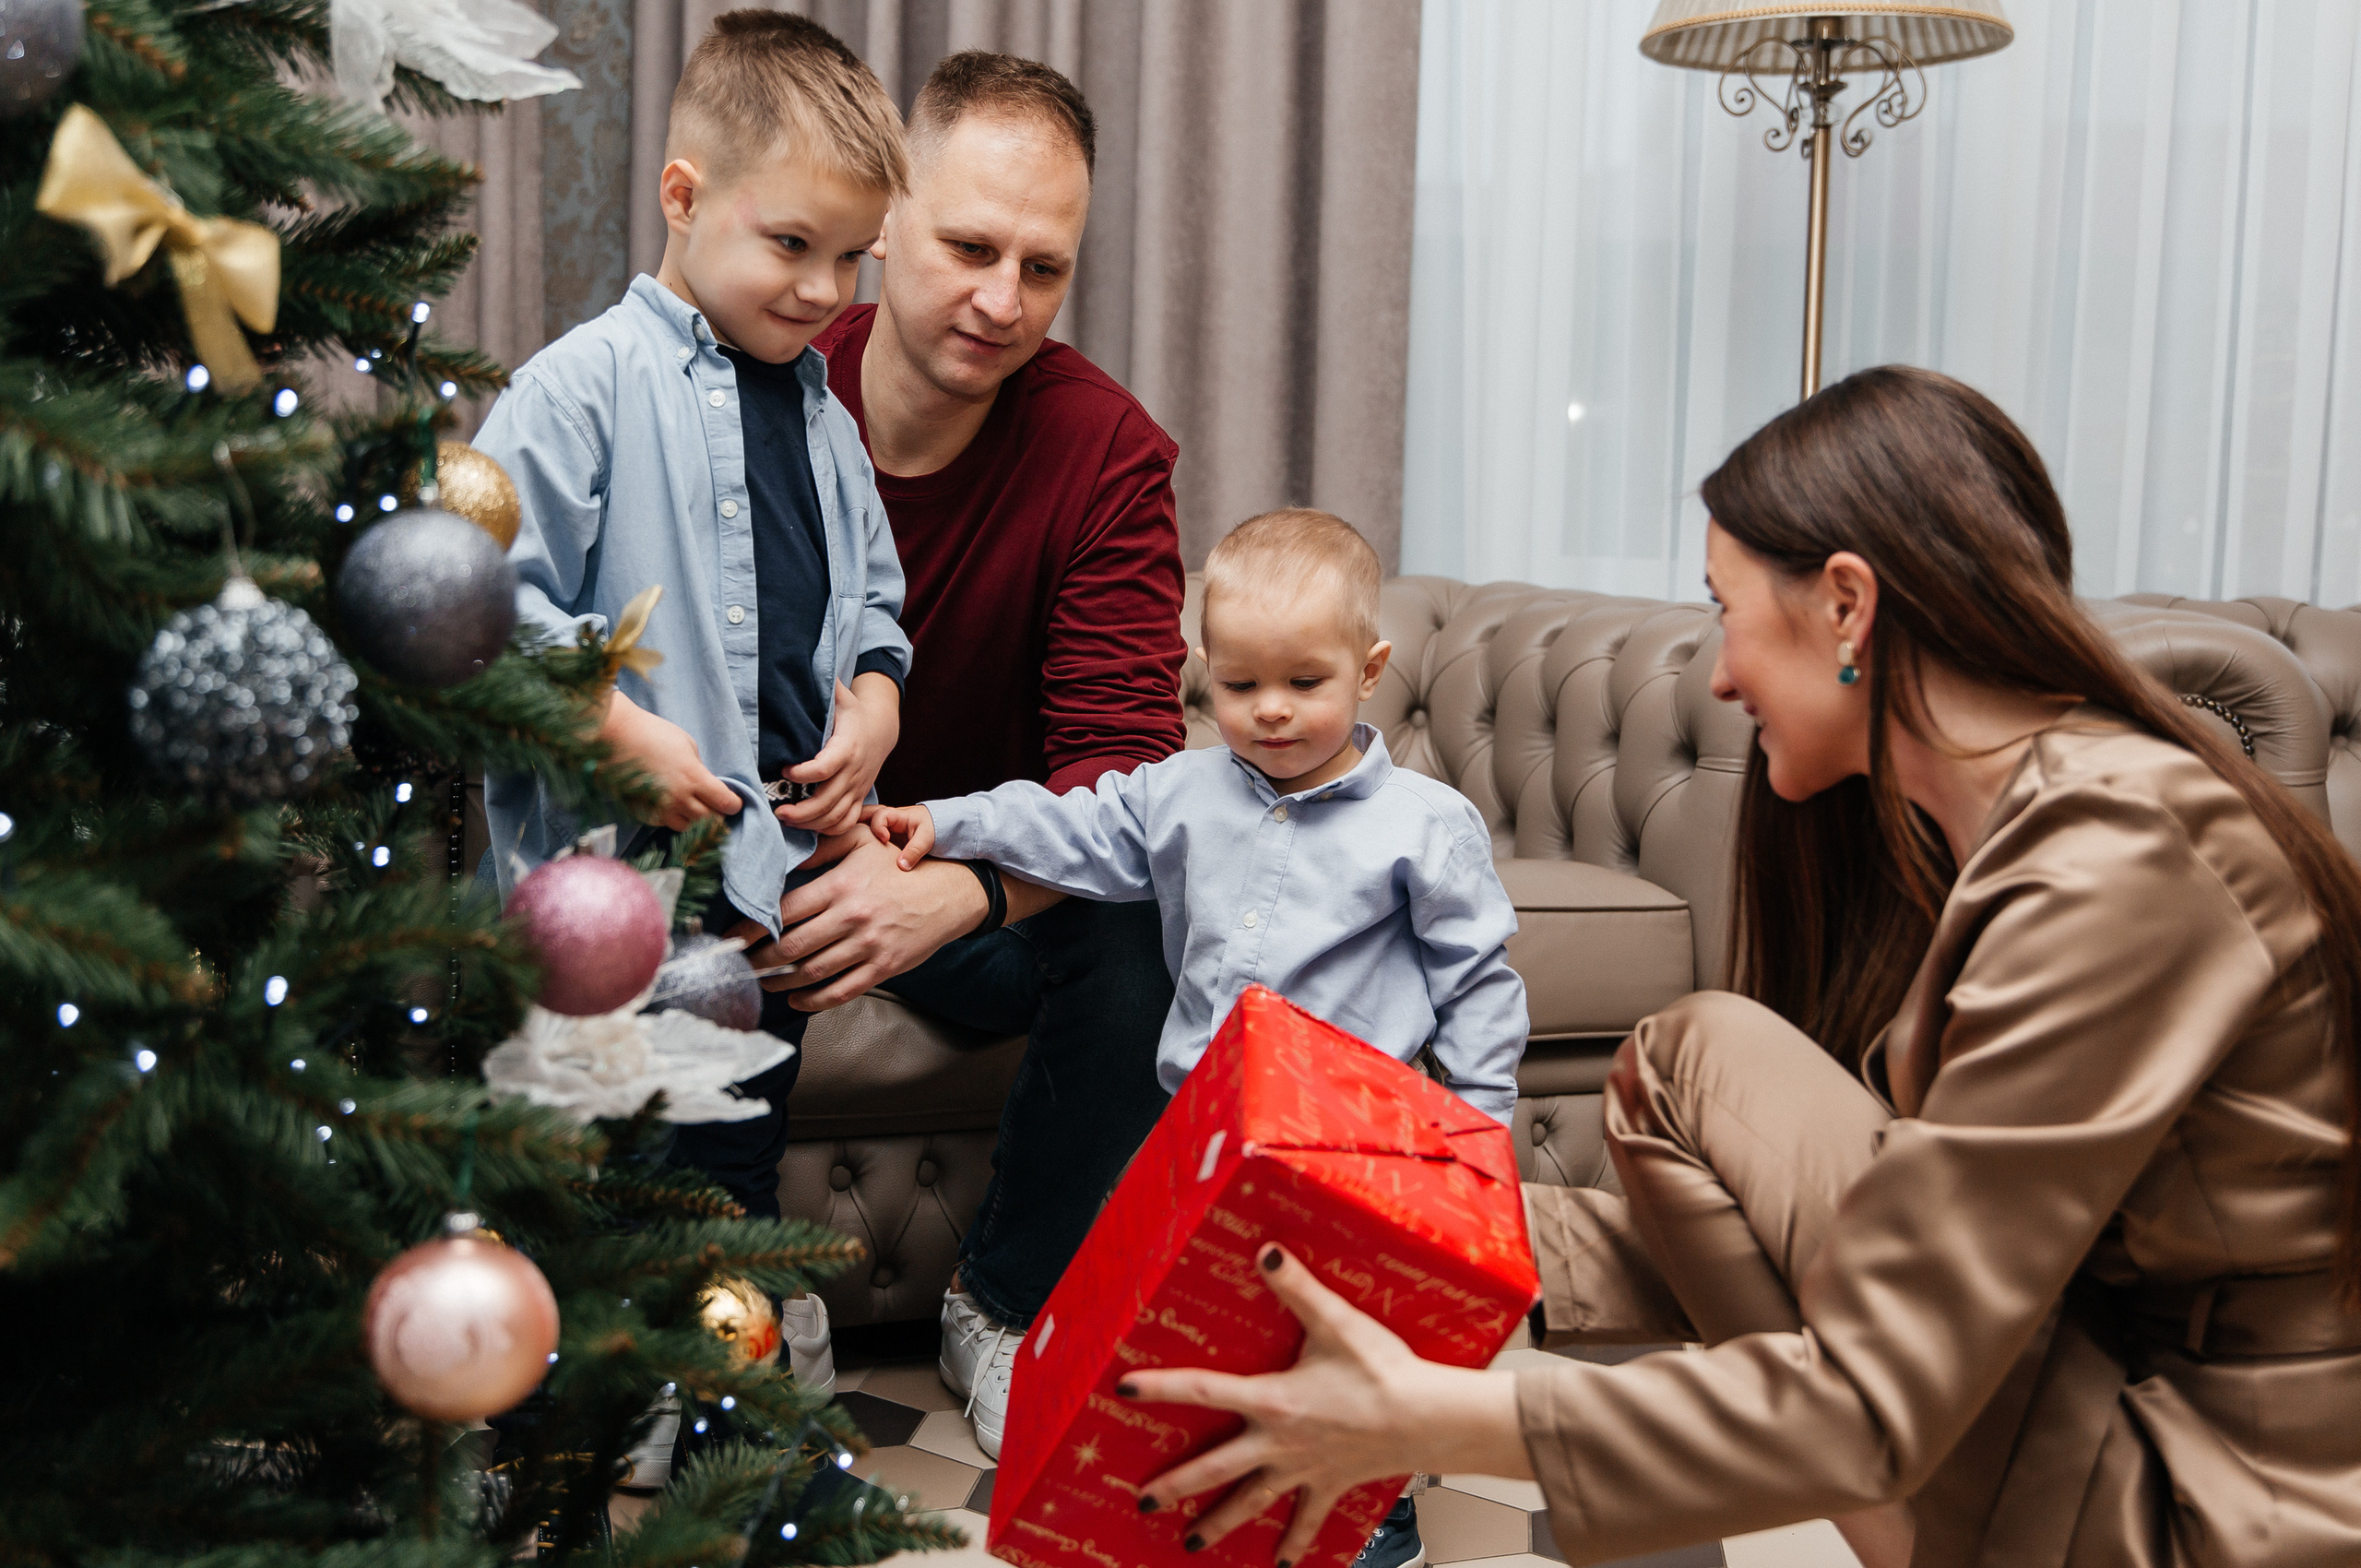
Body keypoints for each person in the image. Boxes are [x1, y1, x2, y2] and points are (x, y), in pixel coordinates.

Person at [1107, 368, 2361, 1568]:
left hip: (2205, 1504)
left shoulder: (2123, 857)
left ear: (1847, 608)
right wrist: (1403, 1233)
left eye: (1722, 608)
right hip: (2084, 1399)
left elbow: (1880, 1379)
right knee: (1688, 1057)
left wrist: (1427, 1420)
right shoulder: (2021, 830)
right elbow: (1842, 1254)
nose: (1714, 672)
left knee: (1700, 1053)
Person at [752, 53, 1190, 1459]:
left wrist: (969, 886)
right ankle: (743, 1301)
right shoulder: (757, 391)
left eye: (1044, 267)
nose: (1003, 301)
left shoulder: (1106, 454)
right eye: (969, 248)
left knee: (1151, 912)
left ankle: (1003, 1305)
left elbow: (1126, 772)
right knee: (709, 897)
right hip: (782, 846)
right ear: (886, 221)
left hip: (996, 889)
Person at [477, 11, 916, 1411]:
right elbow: (469, 597)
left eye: (851, 258)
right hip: (606, 905)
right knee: (605, 1166)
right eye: (792, 244)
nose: (826, 288)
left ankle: (707, 1407)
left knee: (730, 1162)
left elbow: (876, 613)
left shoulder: (831, 425)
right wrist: (612, 725)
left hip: (758, 896)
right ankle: (591, 1416)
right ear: (684, 195)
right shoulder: (580, 387)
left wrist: (874, 709)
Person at [864, 508, 1527, 1127]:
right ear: (1211, 675)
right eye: (1242, 685)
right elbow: (1070, 826)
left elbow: (1475, 984)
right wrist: (947, 821)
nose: (1271, 708)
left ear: (1369, 672)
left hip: (1355, 1124)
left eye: (1304, 683)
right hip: (1199, 1116)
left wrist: (1480, 1128)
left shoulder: (1426, 823)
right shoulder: (1178, 790)